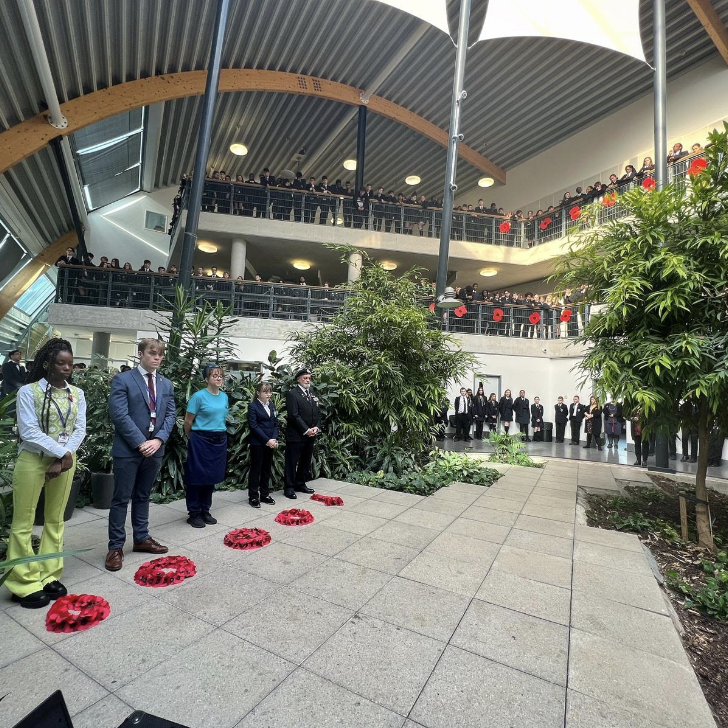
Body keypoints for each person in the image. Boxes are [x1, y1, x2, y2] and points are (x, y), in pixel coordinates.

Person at [5, 339, 86, 608]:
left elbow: (79, 429)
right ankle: (24, 581)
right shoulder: (28, 392)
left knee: (55, 520)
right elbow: (28, 431)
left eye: (70, 364)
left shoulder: (78, 393)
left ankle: (49, 574)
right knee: (23, 523)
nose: (67, 368)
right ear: (46, 364)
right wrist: (61, 454)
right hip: (32, 460)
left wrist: (65, 456)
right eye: (61, 363)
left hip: (62, 463)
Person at [105, 338, 176, 572]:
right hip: (128, 450)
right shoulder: (123, 380)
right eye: (152, 353)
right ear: (140, 354)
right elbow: (119, 415)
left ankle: (141, 538)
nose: (157, 357)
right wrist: (140, 442)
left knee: (143, 495)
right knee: (121, 498)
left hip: (154, 448)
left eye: (160, 354)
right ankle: (115, 547)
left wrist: (158, 440)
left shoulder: (166, 384)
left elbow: (170, 415)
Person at [183, 364, 228, 528]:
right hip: (200, 439)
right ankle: (194, 513)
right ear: (206, 379)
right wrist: (192, 438)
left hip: (219, 439)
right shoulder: (198, 397)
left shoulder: (224, 397)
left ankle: (205, 510)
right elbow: (188, 421)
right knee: (197, 476)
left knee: (211, 477)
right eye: (214, 375)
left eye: (220, 375)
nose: (218, 378)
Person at [284, 368, 319, 499]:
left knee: (305, 461)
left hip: (310, 435)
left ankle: (300, 483)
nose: (307, 380)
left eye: (309, 378)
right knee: (292, 462)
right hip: (296, 435)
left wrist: (316, 427)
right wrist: (306, 430)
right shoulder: (292, 394)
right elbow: (294, 415)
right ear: (298, 379)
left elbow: (317, 413)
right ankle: (289, 487)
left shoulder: (312, 393)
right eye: (305, 378)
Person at [247, 381, 279, 508]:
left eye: (270, 391)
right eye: (265, 392)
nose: (268, 394)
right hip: (258, 443)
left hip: (270, 443)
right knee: (256, 469)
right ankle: (253, 496)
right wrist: (267, 440)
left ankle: (264, 494)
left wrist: (274, 439)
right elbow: (254, 426)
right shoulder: (253, 406)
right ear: (258, 393)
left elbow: (276, 424)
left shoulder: (272, 405)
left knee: (266, 468)